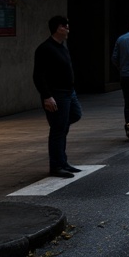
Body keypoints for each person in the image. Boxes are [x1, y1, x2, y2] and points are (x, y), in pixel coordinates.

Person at [32, 15, 82, 178]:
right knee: (58, 130)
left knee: (74, 115)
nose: (67, 29)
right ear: (56, 28)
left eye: (67, 26)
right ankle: (56, 165)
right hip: (56, 94)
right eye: (64, 26)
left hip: (69, 92)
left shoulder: (62, 47)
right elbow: (38, 75)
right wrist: (47, 96)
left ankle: (62, 161)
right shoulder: (45, 48)